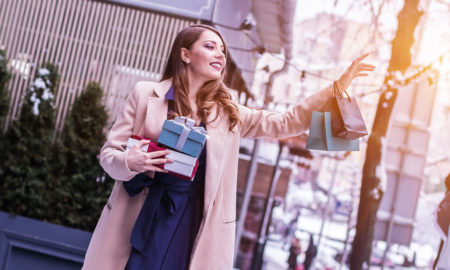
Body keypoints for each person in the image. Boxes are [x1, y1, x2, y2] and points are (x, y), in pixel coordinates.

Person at [82, 24, 375, 270]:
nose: (220, 54)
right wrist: (130, 161)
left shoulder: (228, 113)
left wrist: (338, 87)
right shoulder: (145, 94)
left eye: (222, 50)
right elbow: (109, 156)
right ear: (185, 54)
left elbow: (286, 122)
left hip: (195, 223)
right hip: (142, 214)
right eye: (210, 47)